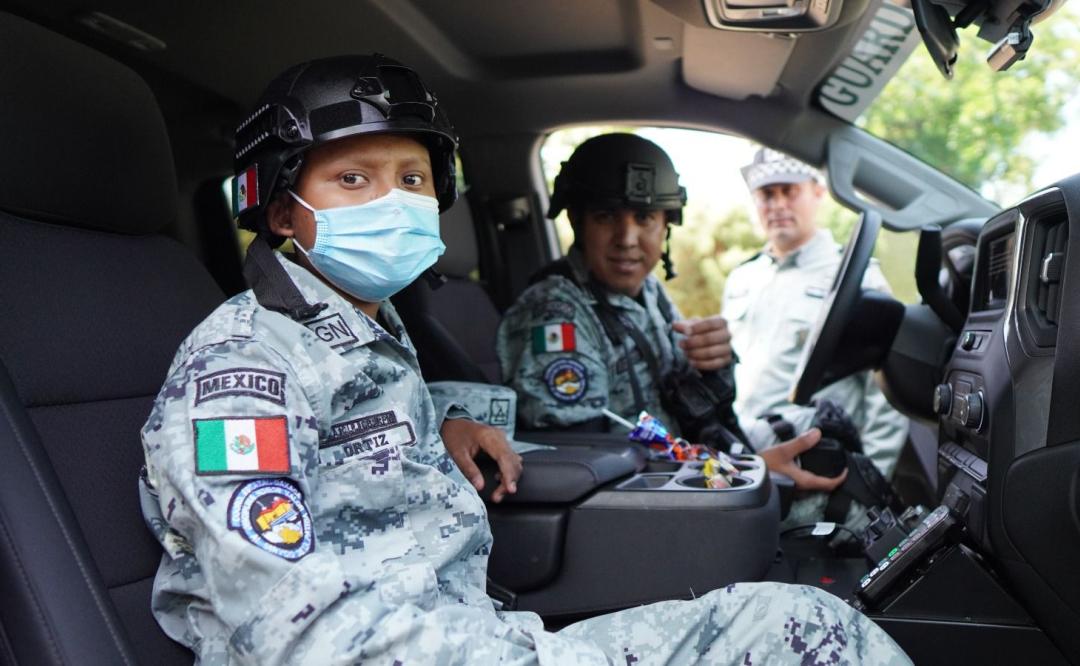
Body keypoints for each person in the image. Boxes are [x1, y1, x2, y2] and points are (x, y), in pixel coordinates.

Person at [139, 57, 910, 664]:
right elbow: (297, 639)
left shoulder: (365, 333)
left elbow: (350, 447)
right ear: (282, 210)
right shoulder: (238, 370)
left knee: (804, 621)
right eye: (352, 179)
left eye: (410, 180)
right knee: (805, 635)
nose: (391, 202)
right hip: (419, 648)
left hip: (464, 620)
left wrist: (443, 423)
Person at [497, 134, 848, 493]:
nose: (627, 238)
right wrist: (737, 472)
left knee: (829, 441)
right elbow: (586, 462)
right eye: (605, 217)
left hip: (674, 474)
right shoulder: (555, 312)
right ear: (577, 222)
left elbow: (686, 409)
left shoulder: (649, 293)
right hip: (636, 502)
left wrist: (713, 365)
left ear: (666, 224)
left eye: (645, 217)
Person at [723, 148, 909, 479]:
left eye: (789, 190)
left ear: (818, 192)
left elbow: (885, 396)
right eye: (767, 194)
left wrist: (866, 482)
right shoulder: (742, 278)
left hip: (817, 469)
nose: (778, 204)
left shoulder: (858, 277)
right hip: (747, 463)